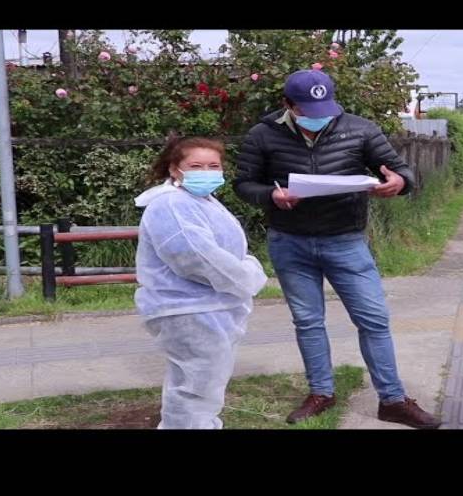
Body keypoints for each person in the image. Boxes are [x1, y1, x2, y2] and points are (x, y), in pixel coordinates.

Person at [233, 68, 441, 429]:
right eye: (308, 111)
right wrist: (271, 195)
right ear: (287, 104)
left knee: (374, 320)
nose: (319, 118)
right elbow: (243, 184)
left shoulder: (360, 129)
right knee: (308, 322)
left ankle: (392, 400)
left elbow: (402, 172)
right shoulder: (262, 134)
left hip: (346, 241)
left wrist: (397, 183)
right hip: (289, 242)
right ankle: (321, 393)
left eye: (325, 108)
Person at [134, 136, 268, 429]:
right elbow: (195, 257)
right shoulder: (171, 205)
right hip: (190, 309)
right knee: (197, 391)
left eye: (213, 165)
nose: (206, 171)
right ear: (174, 169)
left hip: (207, 309)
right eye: (195, 165)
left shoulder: (200, 201)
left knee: (198, 387)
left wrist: (244, 268)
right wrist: (249, 275)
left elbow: (226, 252)